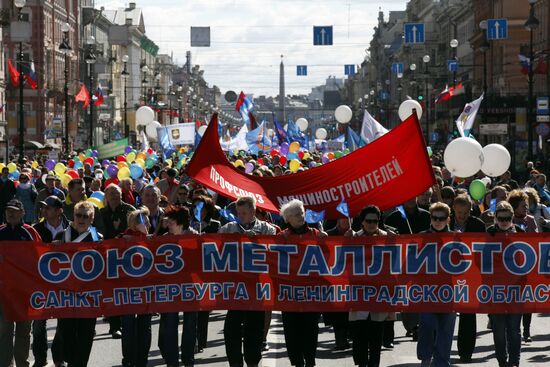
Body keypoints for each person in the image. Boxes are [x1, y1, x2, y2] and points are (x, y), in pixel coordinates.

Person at [218, 196, 276, 367]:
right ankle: (235, 363)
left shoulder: (267, 229)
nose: (241, 216)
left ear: (253, 211)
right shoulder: (228, 228)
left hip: (257, 287)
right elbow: (215, 246)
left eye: (244, 213)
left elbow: (273, 251)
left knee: (254, 330)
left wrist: (255, 241)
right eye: (239, 213)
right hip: (235, 288)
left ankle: (252, 362)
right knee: (231, 330)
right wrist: (237, 239)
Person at [54, 201, 103, 367]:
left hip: (89, 296)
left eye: (86, 216)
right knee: (65, 332)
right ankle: (70, 359)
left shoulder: (99, 239)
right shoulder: (61, 236)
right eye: (78, 215)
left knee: (85, 335)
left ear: (92, 219)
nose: (81, 219)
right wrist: (52, 249)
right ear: (73, 216)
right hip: (66, 295)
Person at [345, 205, 394, 367]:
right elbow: (341, 263)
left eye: (375, 221)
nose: (372, 224)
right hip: (358, 294)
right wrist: (346, 242)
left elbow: (395, 265)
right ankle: (361, 363)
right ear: (362, 222)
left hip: (379, 295)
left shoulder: (387, 238)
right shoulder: (353, 238)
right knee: (359, 338)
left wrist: (394, 242)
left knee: (375, 340)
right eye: (369, 221)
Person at [279, 199, 326, 367]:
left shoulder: (316, 234)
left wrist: (326, 242)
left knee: (310, 329)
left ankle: (310, 360)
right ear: (288, 218)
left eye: (301, 212)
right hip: (289, 295)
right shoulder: (282, 237)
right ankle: (297, 361)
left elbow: (330, 258)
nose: (300, 216)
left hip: (311, 293)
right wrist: (279, 241)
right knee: (292, 331)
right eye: (296, 214)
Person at [0, 199, 42, 367]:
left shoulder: (30, 232)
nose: (10, 213)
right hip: (4, 292)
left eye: (15, 211)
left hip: (25, 292)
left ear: (22, 213)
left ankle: (22, 363)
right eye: (8, 210)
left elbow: (41, 257)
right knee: (4, 330)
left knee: (24, 331)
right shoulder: (0, 232)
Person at [158, 206, 198, 367]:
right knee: (169, 322)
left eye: (171, 222)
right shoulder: (163, 238)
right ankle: (171, 360)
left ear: (181, 223)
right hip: (169, 288)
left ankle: (188, 359)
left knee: (190, 324)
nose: (168, 225)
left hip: (191, 287)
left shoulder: (196, 237)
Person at [385, 196, 430, 340]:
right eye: (407, 197)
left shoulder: (426, 215)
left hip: (424, 261)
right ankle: (411, 325)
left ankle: (417, 325)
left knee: (420, 293)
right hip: (401, 262)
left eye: (413, 197)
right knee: (406, 293)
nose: (410, 200)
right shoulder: (393, 217)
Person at [417, 202, 456, 367]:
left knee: (446, 330)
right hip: (427, 291)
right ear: (430, 218)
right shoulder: (421, 237)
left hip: (449, 291)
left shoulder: (456, 237)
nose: (438, 221)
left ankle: (441, 362)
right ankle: (425, 358)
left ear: (448, 219)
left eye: (442, 218)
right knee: (427, 324)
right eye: (434, 218)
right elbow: (409, 264)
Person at [32, 196, 69, 367]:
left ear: (59, 211)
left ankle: (58, 356)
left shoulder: (71, 227)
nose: (44, 211)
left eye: (48, 207)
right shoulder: (36, 229)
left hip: (66, 282)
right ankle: (40, 358)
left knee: (63, 322)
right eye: (43, 208)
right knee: (38, 323)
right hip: (41, 282)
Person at [487, 201, 525, 367]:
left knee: (514, 330)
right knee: (499, 331)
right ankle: (502, 361)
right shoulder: (488, 234)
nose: (504, 221)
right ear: (495, 218)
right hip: (495, 290)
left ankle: (514, 362)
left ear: (512, 218)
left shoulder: (522, 233)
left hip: (516, 289)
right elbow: (478, 261)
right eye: (501, 218)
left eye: (507, 218)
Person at [449, 194, 485, 363]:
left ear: (470, 210)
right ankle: (441, 350)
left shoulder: (478, 225)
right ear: (453, 209)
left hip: (470, 274)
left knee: (468, 314)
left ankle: (466, 351)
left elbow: (484, 248)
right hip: (447, 274)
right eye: (459, 212)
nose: (462, 216)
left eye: (466, 212)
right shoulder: (445, 223)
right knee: (444, 313)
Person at [100, 184, 136, 339]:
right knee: (111, 292)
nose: (114, 196)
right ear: (106, 196)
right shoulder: (100, 213)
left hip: (127, 258)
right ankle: (115, 326)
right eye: (111, 194)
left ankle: (127, 322)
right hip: (108, 259)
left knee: (125, 291)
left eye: (117, 193)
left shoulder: (130, 210)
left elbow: (136, 230)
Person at [119, 208, 153, 367]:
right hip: (127, 291)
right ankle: (128, 359)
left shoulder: (152, 240)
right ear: (134, 223)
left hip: (145, 291)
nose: (147, 223)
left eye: (148, 221)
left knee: (144, 326)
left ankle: (142, 360)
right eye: (143, 221)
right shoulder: (122, 239)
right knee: (128, 326)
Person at [324, 218, 351, 351]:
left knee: (349, 311)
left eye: (349, 218)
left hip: (351, 280)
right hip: (334, 280)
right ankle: (340, 339)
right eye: (343, 218)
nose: (347, 220)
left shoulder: (357, 235)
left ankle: (347, 336)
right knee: (337, 313)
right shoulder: (329, 234)